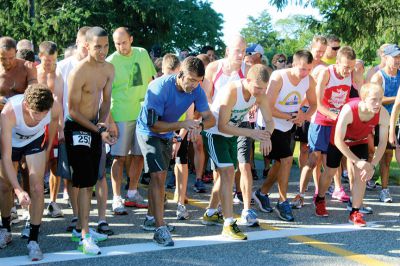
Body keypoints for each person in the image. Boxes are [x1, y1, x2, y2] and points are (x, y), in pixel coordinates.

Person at [136, 56, 215, 246]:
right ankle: (160, 228)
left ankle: (150, 219)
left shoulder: (197, 90)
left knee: (160, 177)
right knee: (159, 176)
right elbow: (153, 125)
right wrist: (182, 124)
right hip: (148, 132)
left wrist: (199, 127)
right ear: (180, 74)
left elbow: (210, 119)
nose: (194, 85)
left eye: (198, 81)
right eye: (191, 80)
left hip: (167, 132)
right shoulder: (159, 87)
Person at [203, 64, 273, 240]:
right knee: (227, 174)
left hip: (233, 133)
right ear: (248, 80)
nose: (261, 91)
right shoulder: (232, 91)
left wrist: (267, 136)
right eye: (257, 87)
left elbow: (270, 120)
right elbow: (222, 125)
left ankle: (211, 212)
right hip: (215, 133)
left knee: (225, 175)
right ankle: (228, 223)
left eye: (264, 88)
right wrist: (252, 133)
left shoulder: (260, 93)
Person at [66, 26, 116, 255]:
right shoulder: (79, 71)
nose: (103, 51)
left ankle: (82, 228)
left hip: (95, 126)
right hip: (77, 126)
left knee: (93, 180)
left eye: (106, 46)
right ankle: (84, 235)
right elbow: (73, 111)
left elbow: (106, 100)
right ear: (87, 45)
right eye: (98, 46)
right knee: (84, 183)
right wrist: (98, 129)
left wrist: (104, 123)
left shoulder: (109, 68)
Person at [253, 50, 317, 222]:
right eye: (302, 69)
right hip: (270, 123)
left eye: (309, 69)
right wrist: (292, 116)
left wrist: (303, 115)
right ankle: (282, 201)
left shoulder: (309, 80)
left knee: (281, 162)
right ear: (293, 64)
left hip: (289, 124)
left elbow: (314, 104)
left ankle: (261, 193)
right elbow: (267, 107)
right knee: (287, 160)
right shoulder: (279, 77)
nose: (305, 73)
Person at [0, 84, 61, 261]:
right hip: (10, 144)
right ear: (26, 105)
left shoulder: (54, 106)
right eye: (36, 114)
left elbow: (55, 122)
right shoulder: (9, 112)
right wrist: (18, 189)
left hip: (34, 141)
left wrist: (48, 149)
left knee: (37, 188)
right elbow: (5, 155)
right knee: (4, 186)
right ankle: (5, 229)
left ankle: (33, 240)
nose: (39, 118)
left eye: (44, 114)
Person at [202, 35, 256, 227]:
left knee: (229, 171)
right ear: (227, 51)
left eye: (244, 50)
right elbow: (205, 97)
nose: (241, 55)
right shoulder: (214, 68)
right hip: (216, 127)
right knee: (224, 172)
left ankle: (211, 212)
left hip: (237, 126)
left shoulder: (248, 70)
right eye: (237, 50)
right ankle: (227, 220)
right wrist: (211, 118)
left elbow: (255, 93)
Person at [106, 27, 156, 215]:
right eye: (117, 43)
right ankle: (116, 197)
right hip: (119, 113)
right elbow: (105, 94)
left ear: (131, 39)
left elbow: (152, 81)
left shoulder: (142, 53)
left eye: (124, 42)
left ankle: (132, 192)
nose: (121, 47)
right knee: (119, 157)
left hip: (142, 114)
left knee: (138, 155)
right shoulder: (110, 61)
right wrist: (109, 119)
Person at [327, 83, 389, 226]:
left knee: (362, 172)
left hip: (359, 140)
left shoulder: (383, 113)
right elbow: (338, 140)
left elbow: (382, 143)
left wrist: (371, 165)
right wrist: (356, 160)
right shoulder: (349, 109)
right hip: (339, 141)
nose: (378, 103)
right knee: (329, 173)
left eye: (380, 99)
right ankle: (320, 198)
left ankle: (354, 212)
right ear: (363, 98)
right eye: (374, 99)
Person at [313, 46, 362, 217]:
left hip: (342, 121)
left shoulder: (352, 73)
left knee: (355, 163)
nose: (349, 70)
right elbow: (318, 105)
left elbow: (360, 97)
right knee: (328, 168)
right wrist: (337, 117)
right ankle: (319, 199)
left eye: (352, 67)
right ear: (337, 62)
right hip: (324, 120)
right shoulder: (326, 73)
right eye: (346, 67)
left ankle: (355, 205)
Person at [292, 35, 327, 208]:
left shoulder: (325, 68)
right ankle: (302, 182)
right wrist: (300, 109)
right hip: (302, 108)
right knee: (304, 148)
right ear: (311, 48)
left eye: (323, 51)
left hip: (314, 111)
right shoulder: (304, 64)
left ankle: (316, 188)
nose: (320, 54)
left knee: (316, 152)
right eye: (317, 50)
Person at [36, 41, 65, 218]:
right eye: (47, 61)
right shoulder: (34, 73)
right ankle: (32, 202)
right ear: (40, 57)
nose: (50, 64)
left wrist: (61, 128)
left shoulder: (58, 74)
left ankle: (53, 202)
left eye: (53, 60)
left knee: (54, 163)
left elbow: (59, 103)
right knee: (35, 164)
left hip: (53, 123)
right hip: (36, 124)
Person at [370, 44, 400, 203]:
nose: (398, 60)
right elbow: (375, 100)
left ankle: (384, 188)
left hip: (396, 121)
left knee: (391, 156)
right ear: (386, 57)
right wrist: (398, 99)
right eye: (394, 57)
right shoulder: (378, 77)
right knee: (378, 155)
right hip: (379, 120)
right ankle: (379, 186)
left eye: (399, 57)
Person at [0, 37, 37, 110]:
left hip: (21, 113)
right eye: (3, 58)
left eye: (11, 58)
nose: (7, 62)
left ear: (16, 53)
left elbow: (33, 93)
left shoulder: (28, 67)